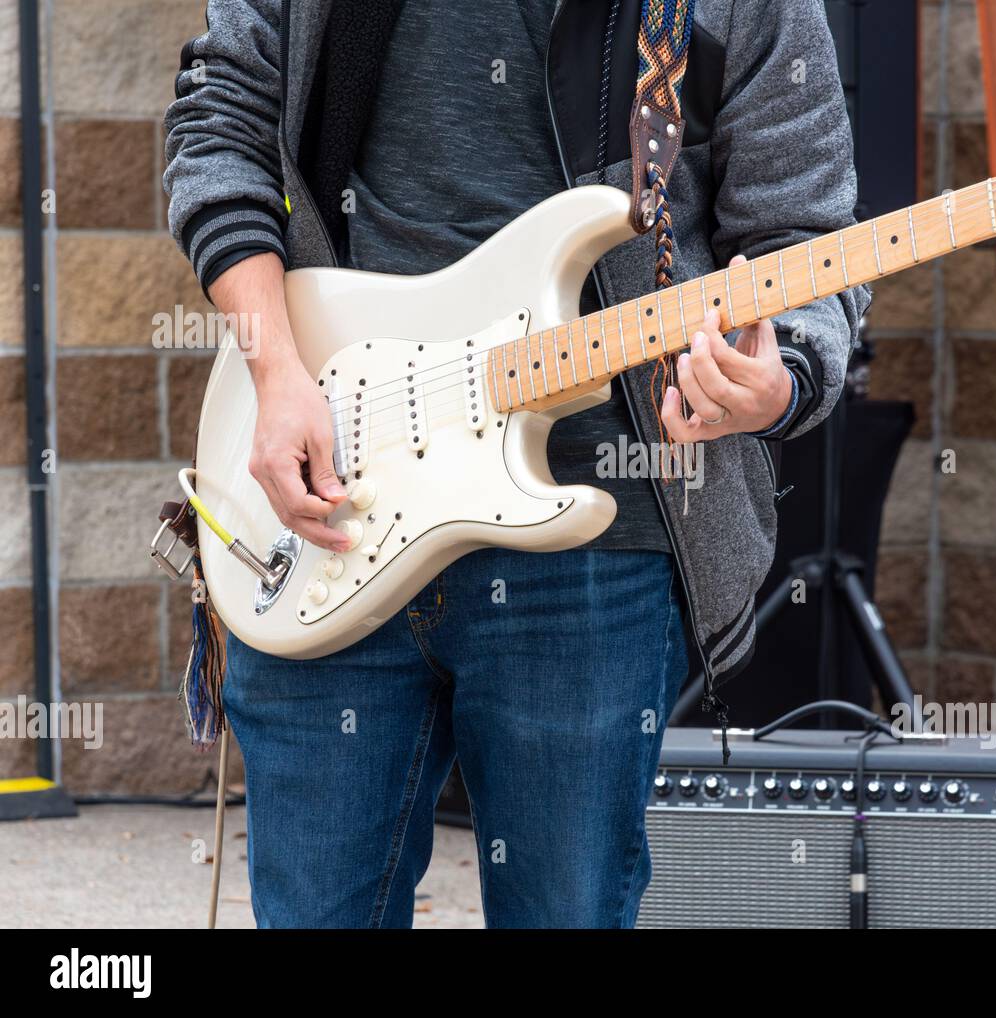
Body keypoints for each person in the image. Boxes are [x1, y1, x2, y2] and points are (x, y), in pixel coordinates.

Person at [164, 0, 866, 928]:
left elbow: (802, 233)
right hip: (335, 488)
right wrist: (277, 369)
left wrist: (779, 382)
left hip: (599, 537)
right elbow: (220, 115)